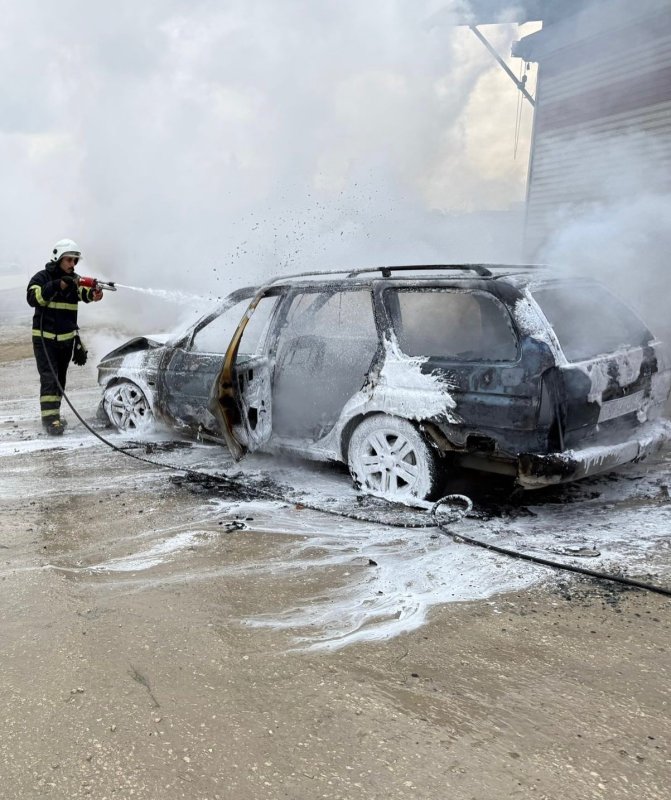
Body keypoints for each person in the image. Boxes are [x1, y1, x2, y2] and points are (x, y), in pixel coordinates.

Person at [26, 239, 103, 436]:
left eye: (75, 261)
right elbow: (34, 298)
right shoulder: (41, 278)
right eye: (69, 260)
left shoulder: (74, 280)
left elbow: (84, 293)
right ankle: (50, 421)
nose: (72, 265)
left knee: (60, 379)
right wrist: (57, 285)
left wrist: (94, 294)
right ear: (58, 257)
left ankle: (55, 415)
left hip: (66, 340)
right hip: (45, 339)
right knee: (50, 379)